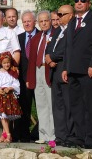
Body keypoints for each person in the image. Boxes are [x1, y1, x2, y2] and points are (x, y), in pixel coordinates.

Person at [62, 0, 92, 149]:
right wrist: (66, 68)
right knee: (76, 106)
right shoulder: (73, 21)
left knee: (91, 106)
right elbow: (68, 47)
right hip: (73, 70)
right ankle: (81, 136)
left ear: (89, 3)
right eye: (76, 1)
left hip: (88, 70)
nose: (79, 3)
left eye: (83, 1)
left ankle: (91, 138)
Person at [45, 5, 74, 147]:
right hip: (54, 72)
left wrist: (52, 57)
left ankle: (70, 135)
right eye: (59, 14)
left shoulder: (72, 29)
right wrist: (48, 57)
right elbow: (49, 47)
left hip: (64, 69)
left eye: (62, 14)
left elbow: (67, 49)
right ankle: (60, 136)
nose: (59, 16)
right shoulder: (57, 31)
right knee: (58, 106)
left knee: (68, 105)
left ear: (71, 15)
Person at [27, 11, 55, 144]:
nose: (44, 23)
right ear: (38, 23)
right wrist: (29, 78)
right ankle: (43, 135)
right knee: (41, 104)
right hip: (37, 70)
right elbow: (31, 60)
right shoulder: (36, 38)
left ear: (50, 21)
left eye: (46, 20)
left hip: (48, 70)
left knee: (51, 104)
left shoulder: (56, 35)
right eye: (41, 21)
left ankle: (53, 136)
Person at [14, 10, 39, 143]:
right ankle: (24, 135)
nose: (27, 23)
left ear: (34, 21)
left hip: (40, 78)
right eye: (24, 22)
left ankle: (40, 134)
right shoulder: (19, 38)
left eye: (29, 21)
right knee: (24, 107)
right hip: (23, 79)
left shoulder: (42, 35)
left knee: (41, 108)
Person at [0, 52, 22, 143]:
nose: (6, 64)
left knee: (6, 116)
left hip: (9, 97)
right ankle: (8, 134)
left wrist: (10, 88)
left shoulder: (12, 73)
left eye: (8, 62)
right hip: (0, 97)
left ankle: (5, 135)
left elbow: (16, 84)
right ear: (1, 63)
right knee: (3, 115)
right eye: (4, 63)